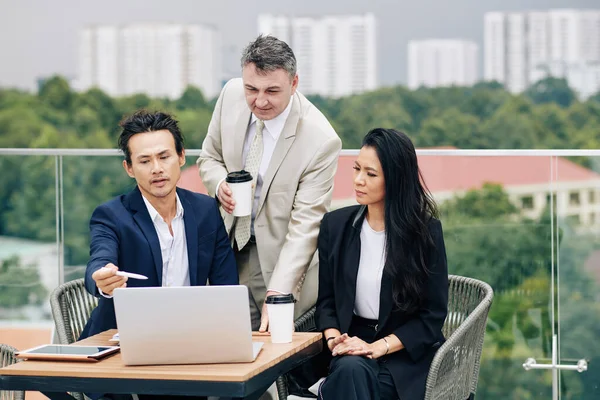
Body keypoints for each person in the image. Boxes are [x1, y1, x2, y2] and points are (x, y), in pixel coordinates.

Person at [198, 35, 341, 332]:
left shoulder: (321, 140)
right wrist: (220, 184)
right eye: (251, 88)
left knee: (277, 363)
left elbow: (306, 225)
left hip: (280, 264)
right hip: (226, 251)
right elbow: (209, 157)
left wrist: (280, 291)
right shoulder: (230, 95)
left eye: (272, 91)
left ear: (294, 82)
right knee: (227, 348)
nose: (259, 101)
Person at [81, 110, 238, 342]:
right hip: (119, 342)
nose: (157, 169)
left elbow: (226, 288)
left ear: (181, 157)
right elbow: (100, 259)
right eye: (144, 161)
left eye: (164, 157)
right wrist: (102, 278)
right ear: (129, 168)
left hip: (189, 339)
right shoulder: (111, 215)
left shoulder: (206, 210)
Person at [315, 128, 448, 400]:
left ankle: (326, 390)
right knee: (352, 371)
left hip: (404, 353)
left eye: (370, 174)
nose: (358, 180)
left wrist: (379, 347)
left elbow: (431, 317)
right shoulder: (336, 226)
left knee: (353, 380)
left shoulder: (425, 232)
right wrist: (334, 340)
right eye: (356, 169)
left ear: (396, 179)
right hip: (350, 345)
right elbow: (326, 301)